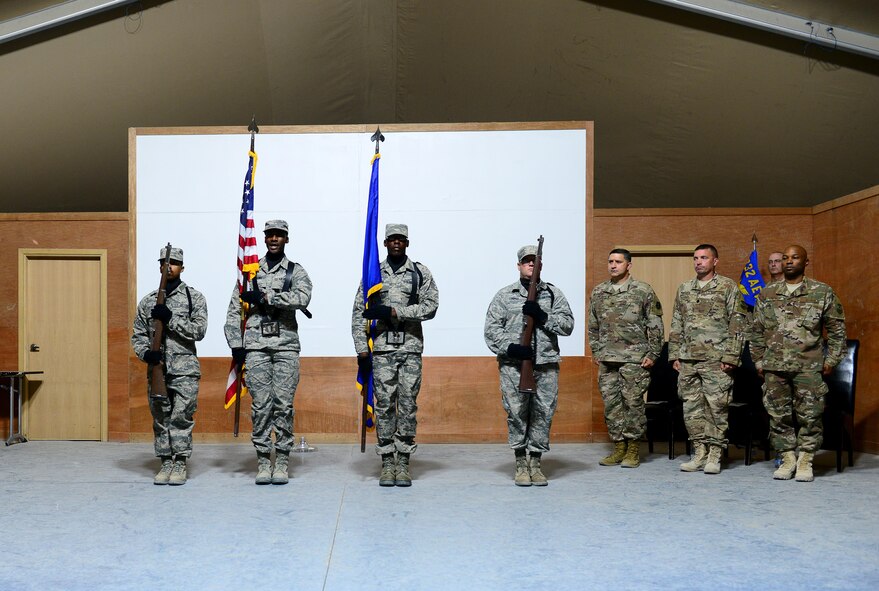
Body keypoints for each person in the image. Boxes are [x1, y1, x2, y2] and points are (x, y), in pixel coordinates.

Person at [224, 220, 312, 485]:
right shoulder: (250, 273)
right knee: (261, 405)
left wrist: (267, 298)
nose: (274, 239)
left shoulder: (296, 271)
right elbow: (233, 310)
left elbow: (303, 297)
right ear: (263, 239)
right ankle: (264, 460)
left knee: (283, 405)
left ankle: (282, 460)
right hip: (256, 347)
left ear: (286, 239)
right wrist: (236, 344)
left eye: (279, 235)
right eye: (270, 235)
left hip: (285, 347)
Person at [351, 223, 439, 487]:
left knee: (408, 406)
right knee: (385, 405)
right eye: (392, 239)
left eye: (401, 239)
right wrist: (361, 348)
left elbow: (431, 306)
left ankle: (404, 461)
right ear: (386, 243)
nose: (396, 243)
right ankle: (387, 461)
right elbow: (358, 311)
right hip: (382, 350)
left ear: (407, 243)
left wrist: (394, 312)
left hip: (410, 348)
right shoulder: (373, 274)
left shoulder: (420, 273)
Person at [749, 245, 846, 482]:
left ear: (805, 262)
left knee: (810, 415)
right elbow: (756, 330)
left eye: (795, 257)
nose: (789, 261)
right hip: (774, 366)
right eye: (785, 258)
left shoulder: (821, 292)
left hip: (808, 366)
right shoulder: (767, 293)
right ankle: (787, 457)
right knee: (778, 415)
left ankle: (805, 459)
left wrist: (831, 359)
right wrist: (759, 361)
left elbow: (837, 330)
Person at [484, 244, 574, 486]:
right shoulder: (504, 295)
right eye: (527, 261)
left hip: (546, 365)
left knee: (543, 414)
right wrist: (511, 348)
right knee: (516, 414)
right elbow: (491, 331)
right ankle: (520, 463)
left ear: (541, 265)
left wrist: (544, 317)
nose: (531, 264)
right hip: (514, 366)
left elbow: (567, 325)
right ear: (519, 266)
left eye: (535, 261)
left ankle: (536, 462)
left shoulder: (553, 294)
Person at [668, 244, 748, 475]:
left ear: (715, 261)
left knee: (716, 407)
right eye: (695, 258)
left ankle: (715, 454)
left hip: (717, 359)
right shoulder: (685, 288)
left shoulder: (727, 287)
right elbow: (676, 323)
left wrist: (732, 356)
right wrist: (675, 354)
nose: (699, 262)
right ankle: (699, 452)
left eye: (704, 258)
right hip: (688, 358)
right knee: (691, 408)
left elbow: (738, 323)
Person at [132, 247, 208, 485]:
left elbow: (199, 331)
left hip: (184, 370)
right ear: (160, 266)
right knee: (160, 417)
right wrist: (146, 353)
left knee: (181, 417)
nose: (169, 267)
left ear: (182, 267)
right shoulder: (148, 301)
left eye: (174, 263)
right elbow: (138, 334)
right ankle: (165, 461)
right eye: (165, 262)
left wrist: (170, 318)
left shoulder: (193, 298)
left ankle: (180, 463)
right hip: (158, 370)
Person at [588, 248, 663, 469]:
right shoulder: (599, 291)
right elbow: (593, 325)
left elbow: (655, 324)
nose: (613, 265)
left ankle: (633, 449)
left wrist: (653, 353)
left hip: (635, 359)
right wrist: (596, 350)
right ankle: (618, 447)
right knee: (612, 406)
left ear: (628, 265)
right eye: (610, 261)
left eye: (618, 262)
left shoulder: (642, 291)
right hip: (607, 358)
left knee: (633, 404)